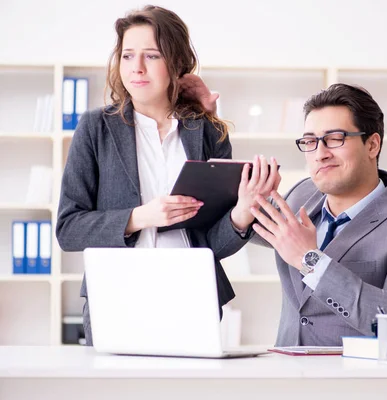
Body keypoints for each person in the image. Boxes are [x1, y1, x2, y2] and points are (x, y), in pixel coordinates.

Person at [55, 5, 279, 346]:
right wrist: (140, 217)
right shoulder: (95, 128)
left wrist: (241, 214)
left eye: (151, 55)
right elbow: (68, 230)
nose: (137, 68)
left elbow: (212, 243)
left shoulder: (208, 131)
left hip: (193, 296)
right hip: (117, 295)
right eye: (128, 56)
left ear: (175, 63)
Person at [246, 83, 387, 346]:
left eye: (335, 138)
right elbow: (241, 220)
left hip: (357, 383)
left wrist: (310, 261)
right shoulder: (302, 195)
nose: (320, 154)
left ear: (372, 145)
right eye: (310, 141)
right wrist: (200, 119)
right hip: (287, 377)